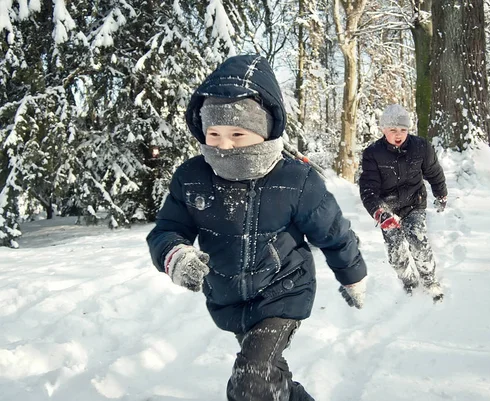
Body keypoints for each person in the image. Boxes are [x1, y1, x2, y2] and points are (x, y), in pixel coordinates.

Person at [146, 54, 367, 401]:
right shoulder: (192, 178)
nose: (224, 144)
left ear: (264, 130)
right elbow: (166, 230)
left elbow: (333, 233)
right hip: (228, 297)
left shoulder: (296, 179)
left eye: (237, 133)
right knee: (270, 378)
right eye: (214, 133)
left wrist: (353, 275)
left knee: (252, 382)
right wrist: (175, 255)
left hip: (284, 293)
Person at [358, 104, 447, 302]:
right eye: (393, 130)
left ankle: (429, 279)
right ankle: (409, 282)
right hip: (387, 208)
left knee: (418, 240)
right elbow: (368, 189)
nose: (398, 134)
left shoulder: (421, 147)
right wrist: (379, 212)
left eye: (403, 130)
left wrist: (441, 194)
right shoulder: (372, 154)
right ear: (383, 130)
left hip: (414, 203)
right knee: (395, 250)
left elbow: (434, 172)